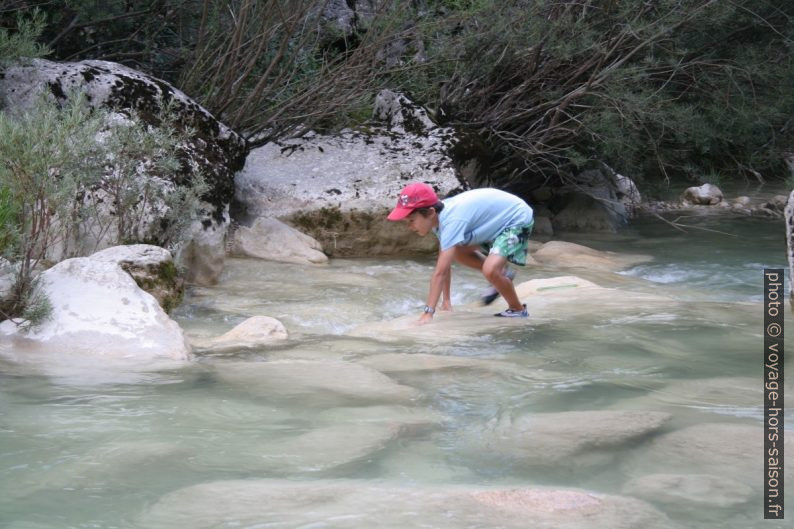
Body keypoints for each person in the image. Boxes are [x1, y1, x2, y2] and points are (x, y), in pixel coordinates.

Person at [387, 182, 534, 323]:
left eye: (411, 220)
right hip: (493, 222)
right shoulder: (438, 220)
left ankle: (517, 310)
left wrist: (428, 313)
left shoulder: (452, 220)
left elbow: (440, 272)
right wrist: (446, 301)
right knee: (457, 252)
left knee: (490, 270)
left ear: (430, 212)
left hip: (515, 218)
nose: (409, 227)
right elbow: (444, 262)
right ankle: (502, 273)